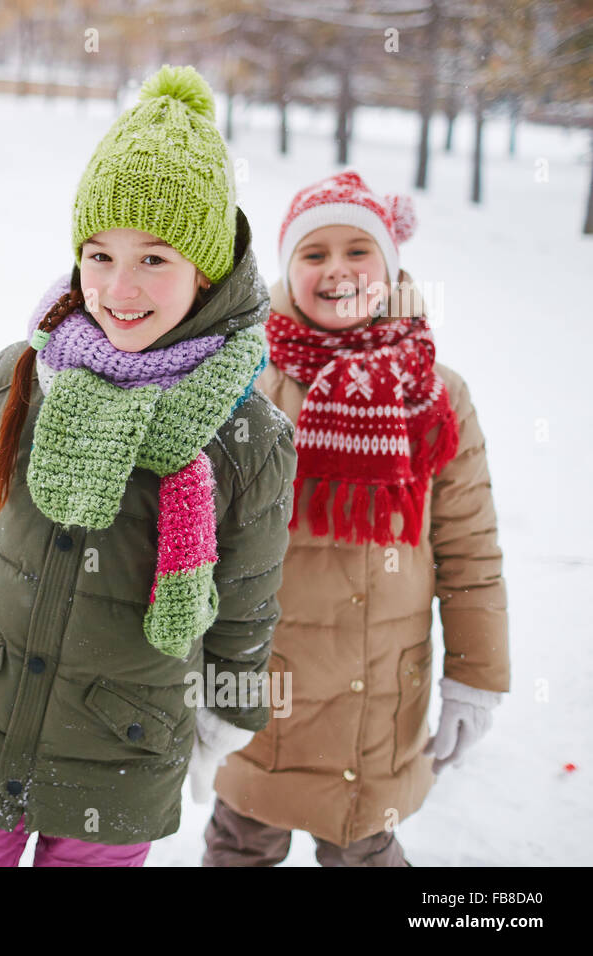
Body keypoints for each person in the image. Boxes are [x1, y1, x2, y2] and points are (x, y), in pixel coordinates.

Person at [0, 66, 297, 866]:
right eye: (99, 254)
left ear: (208, 269)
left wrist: (225, 716)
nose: (119, 287)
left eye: (155, 258)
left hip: (126, 754)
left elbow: (246, 603)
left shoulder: (247, 431)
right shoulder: (24, 372)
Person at [204, 170, 509, 866]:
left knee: (364, 845)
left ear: (389, 263)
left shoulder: (436, 392)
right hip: (260, 682)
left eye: (357, 250)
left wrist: (476, 675)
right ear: (287, 270)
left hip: (376, 692)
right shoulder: (248, 377)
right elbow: (194, 533)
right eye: (314, 254)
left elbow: (470, 548)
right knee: (241, 839)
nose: (337, 270)